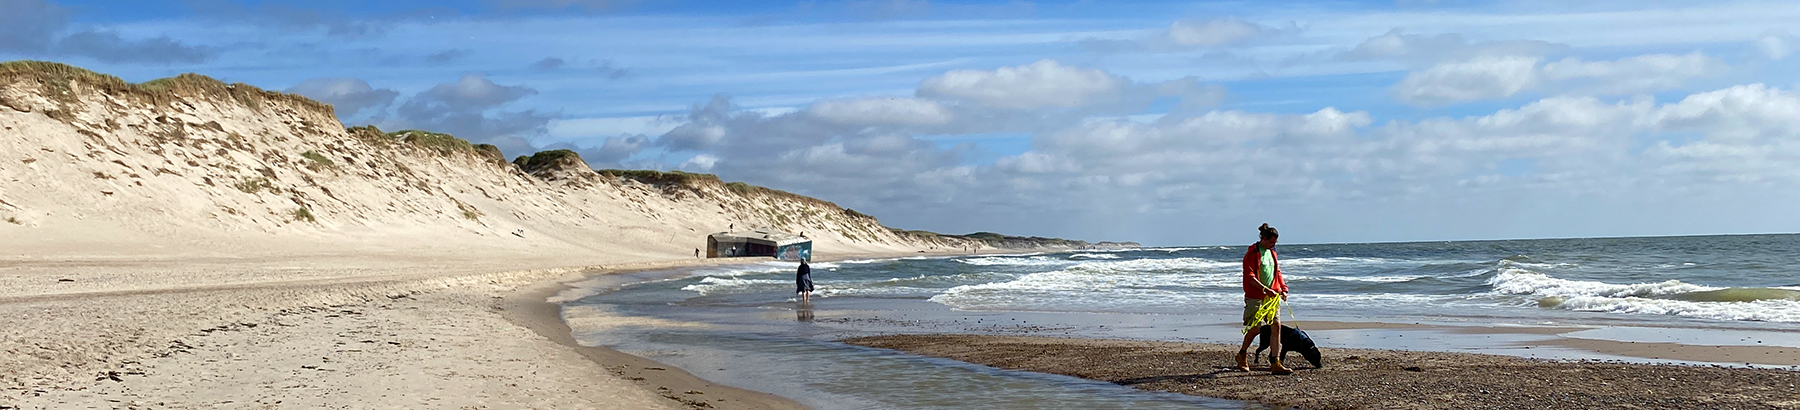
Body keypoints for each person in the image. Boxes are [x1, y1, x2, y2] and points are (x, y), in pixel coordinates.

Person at [1236, 223, 1292, 375]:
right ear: (1264, 239)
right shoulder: (1252, 253)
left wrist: (1283, 288)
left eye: (1275, 243)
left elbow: (1277, 272)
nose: (1274, 245)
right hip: (1256, 296)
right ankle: (1242, 354)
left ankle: (1275, 361)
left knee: (1276, 326)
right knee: (1255, 328)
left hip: (1272, 297)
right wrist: (1265, 289)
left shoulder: (1272, 252)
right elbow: (1249, 277)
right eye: (1272, 242)